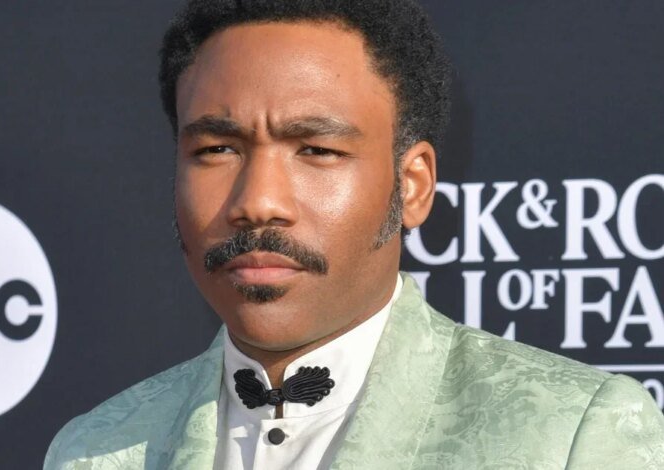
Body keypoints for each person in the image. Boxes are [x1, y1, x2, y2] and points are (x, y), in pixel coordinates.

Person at [44, 0, 664, 468]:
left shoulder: (571, 434)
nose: (258, 202)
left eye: (316, 149)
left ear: (412, 185)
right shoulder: (95, 450)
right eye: (217, 149)